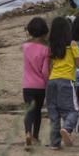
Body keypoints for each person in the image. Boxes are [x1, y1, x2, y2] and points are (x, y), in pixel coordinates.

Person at [46, 17, 79, 149]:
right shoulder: (72, 45)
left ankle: (54, 143)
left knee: (54, 113)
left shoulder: (51, 46)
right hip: (66, 81)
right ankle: (67, 129)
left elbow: (50, 65)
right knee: (74, 110)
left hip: (52, 81)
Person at [22, 17, 50, 148]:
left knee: (29, 110)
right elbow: (45, 71)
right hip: (40, 87)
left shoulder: (25, 47)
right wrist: (46, 82)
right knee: (37, 111)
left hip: (27, 86)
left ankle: (27, 133)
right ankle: (35, 137)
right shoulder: (45, 50)